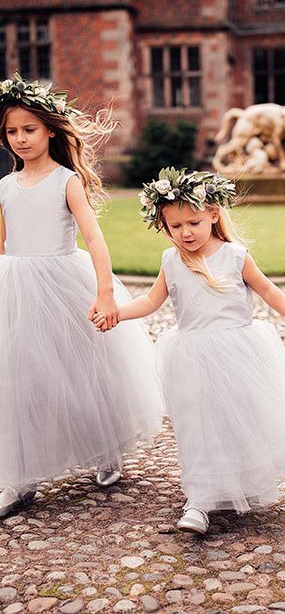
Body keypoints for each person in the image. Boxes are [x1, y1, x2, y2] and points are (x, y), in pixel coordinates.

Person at [94, 167, 285, 534]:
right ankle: (198, 499)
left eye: (193, 222)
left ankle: (238, 480)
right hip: (192, 356)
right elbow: (151, 301)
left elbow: (269, 291)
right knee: (197, 426)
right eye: (175, 226)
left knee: (237, 418)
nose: (185, 233)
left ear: (213, 214)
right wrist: (118, 312)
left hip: (238, 352)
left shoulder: (235, 255)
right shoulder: (171, 260)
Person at [0, 74, 163, 519]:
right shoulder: (5, 187)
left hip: (62, 284)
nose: (20, 139)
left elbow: (94, 239)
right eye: (12, 131)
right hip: (15, 286)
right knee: (17, 379)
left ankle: (106, 449)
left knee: (82, 371)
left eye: (29, 129)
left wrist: (106, 292)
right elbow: (2, 243)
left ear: (50, 129)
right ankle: (19, 476)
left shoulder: (65, 181)